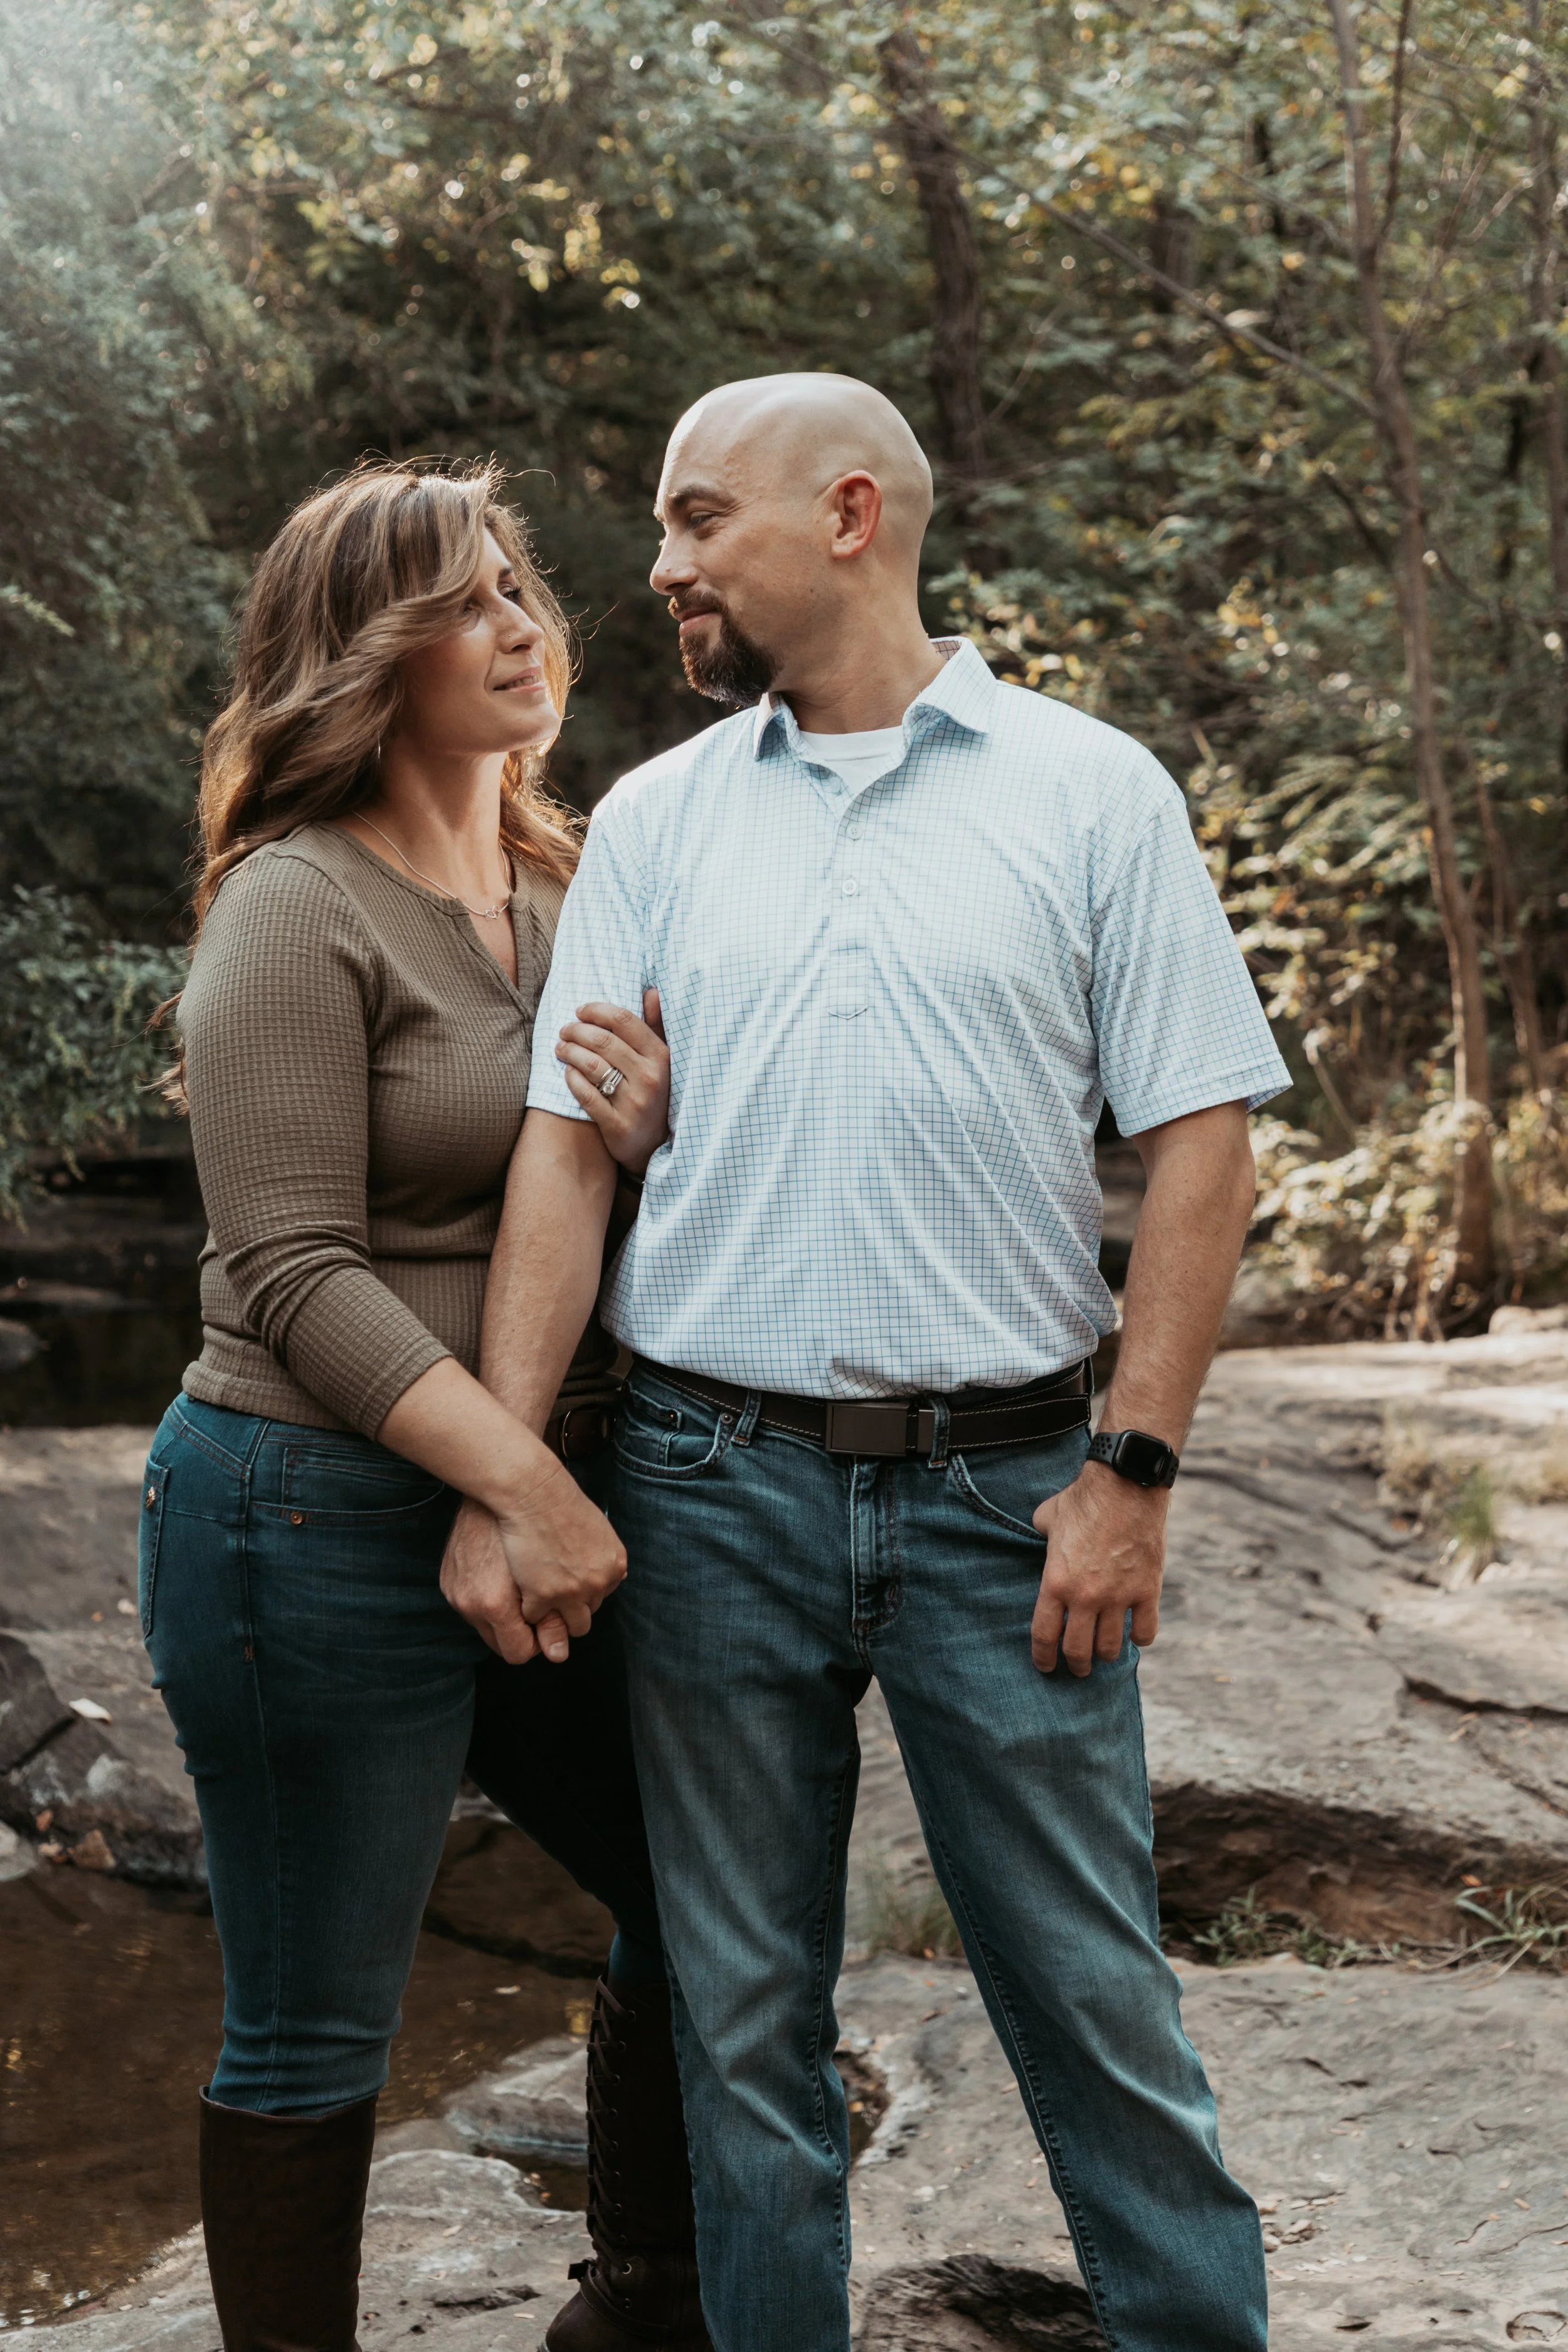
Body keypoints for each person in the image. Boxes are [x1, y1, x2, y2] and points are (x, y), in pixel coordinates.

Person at [442, 374, 1291, 2352]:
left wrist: (1133, 1472)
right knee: (740, 2020)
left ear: (846, 515)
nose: (658, 564)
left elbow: (1201, 1140)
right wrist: (507, 1467)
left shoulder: (1089, 791)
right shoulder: (651, 823)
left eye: (691, 518)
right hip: (706, 1484)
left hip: (1014, 1502)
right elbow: (568, 1152)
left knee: (1093, 2001)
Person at [140, 462, 709, 2352]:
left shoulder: (571, 880)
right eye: (465, 603)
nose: (522, 626)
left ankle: (633, 2299)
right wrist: (521, 1480)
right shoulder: (291, 912)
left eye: (519, 589)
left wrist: (641, 1138)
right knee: (317, 2014)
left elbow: (610, 1184)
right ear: (364, 655)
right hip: (302, 1513)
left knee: (708, 1898)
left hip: (557, 1487)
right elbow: (294, 1271)